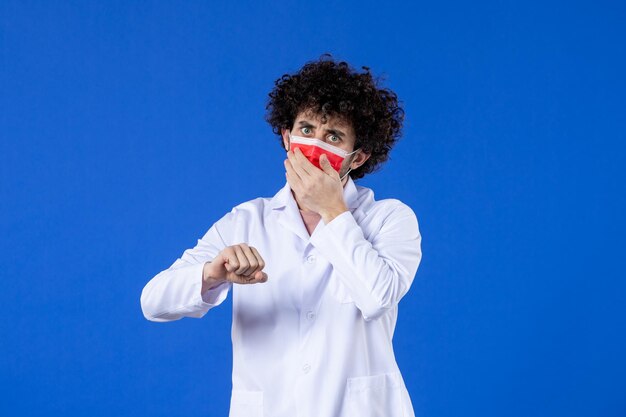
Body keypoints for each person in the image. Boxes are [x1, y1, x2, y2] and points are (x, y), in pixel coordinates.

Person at [140, 54, 423, 417]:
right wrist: (211, 273)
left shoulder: (390, 219)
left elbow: (378, 297)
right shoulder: (246, 220)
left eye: (333, 136)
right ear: (287, 137)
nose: (315, 145)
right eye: (306, 130)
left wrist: (332, 211)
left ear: (358, 158)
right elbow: (152, 302)